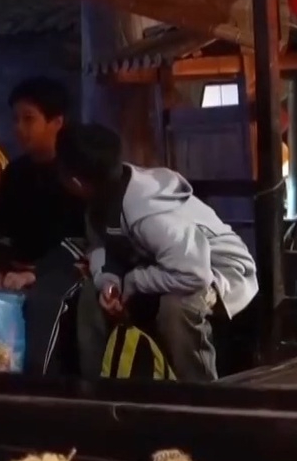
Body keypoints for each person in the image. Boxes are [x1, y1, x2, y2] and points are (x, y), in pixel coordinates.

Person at [59, 122, 258, 382]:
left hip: (221, 269)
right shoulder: (100, 199)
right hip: (164, 267)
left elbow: (195, 273)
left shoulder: (147, 212)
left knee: (177, 307)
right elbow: (99, 247)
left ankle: (201, 395)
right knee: (91, 296)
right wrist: (110, 284)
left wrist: (132, 283)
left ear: (76, 182)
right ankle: (101, 391)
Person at [0, 77, 86, 374]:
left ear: (57, 122)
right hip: (16, 270)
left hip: (65, 268)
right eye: (15, 119)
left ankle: (39, 383)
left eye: (29, 119)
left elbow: (82, 239)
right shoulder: (15, 173)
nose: (19, 127)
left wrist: (36, 273)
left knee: (44, 302)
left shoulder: (75, 174)